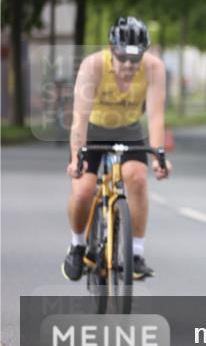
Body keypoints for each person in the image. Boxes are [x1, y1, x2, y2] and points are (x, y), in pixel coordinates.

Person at [63, 17, 172, 282]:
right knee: (84, 191)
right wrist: (77, 156)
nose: (128, 65)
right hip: (92, 130)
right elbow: (79, 117)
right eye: (122, 57)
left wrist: (159, 156)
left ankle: (135, 254)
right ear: (112, 51)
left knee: (136, 178)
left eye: (135, 59)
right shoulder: (93, 66)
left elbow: (156, 118)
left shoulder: (154, 69)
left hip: (128, 131)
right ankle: (77, 245)